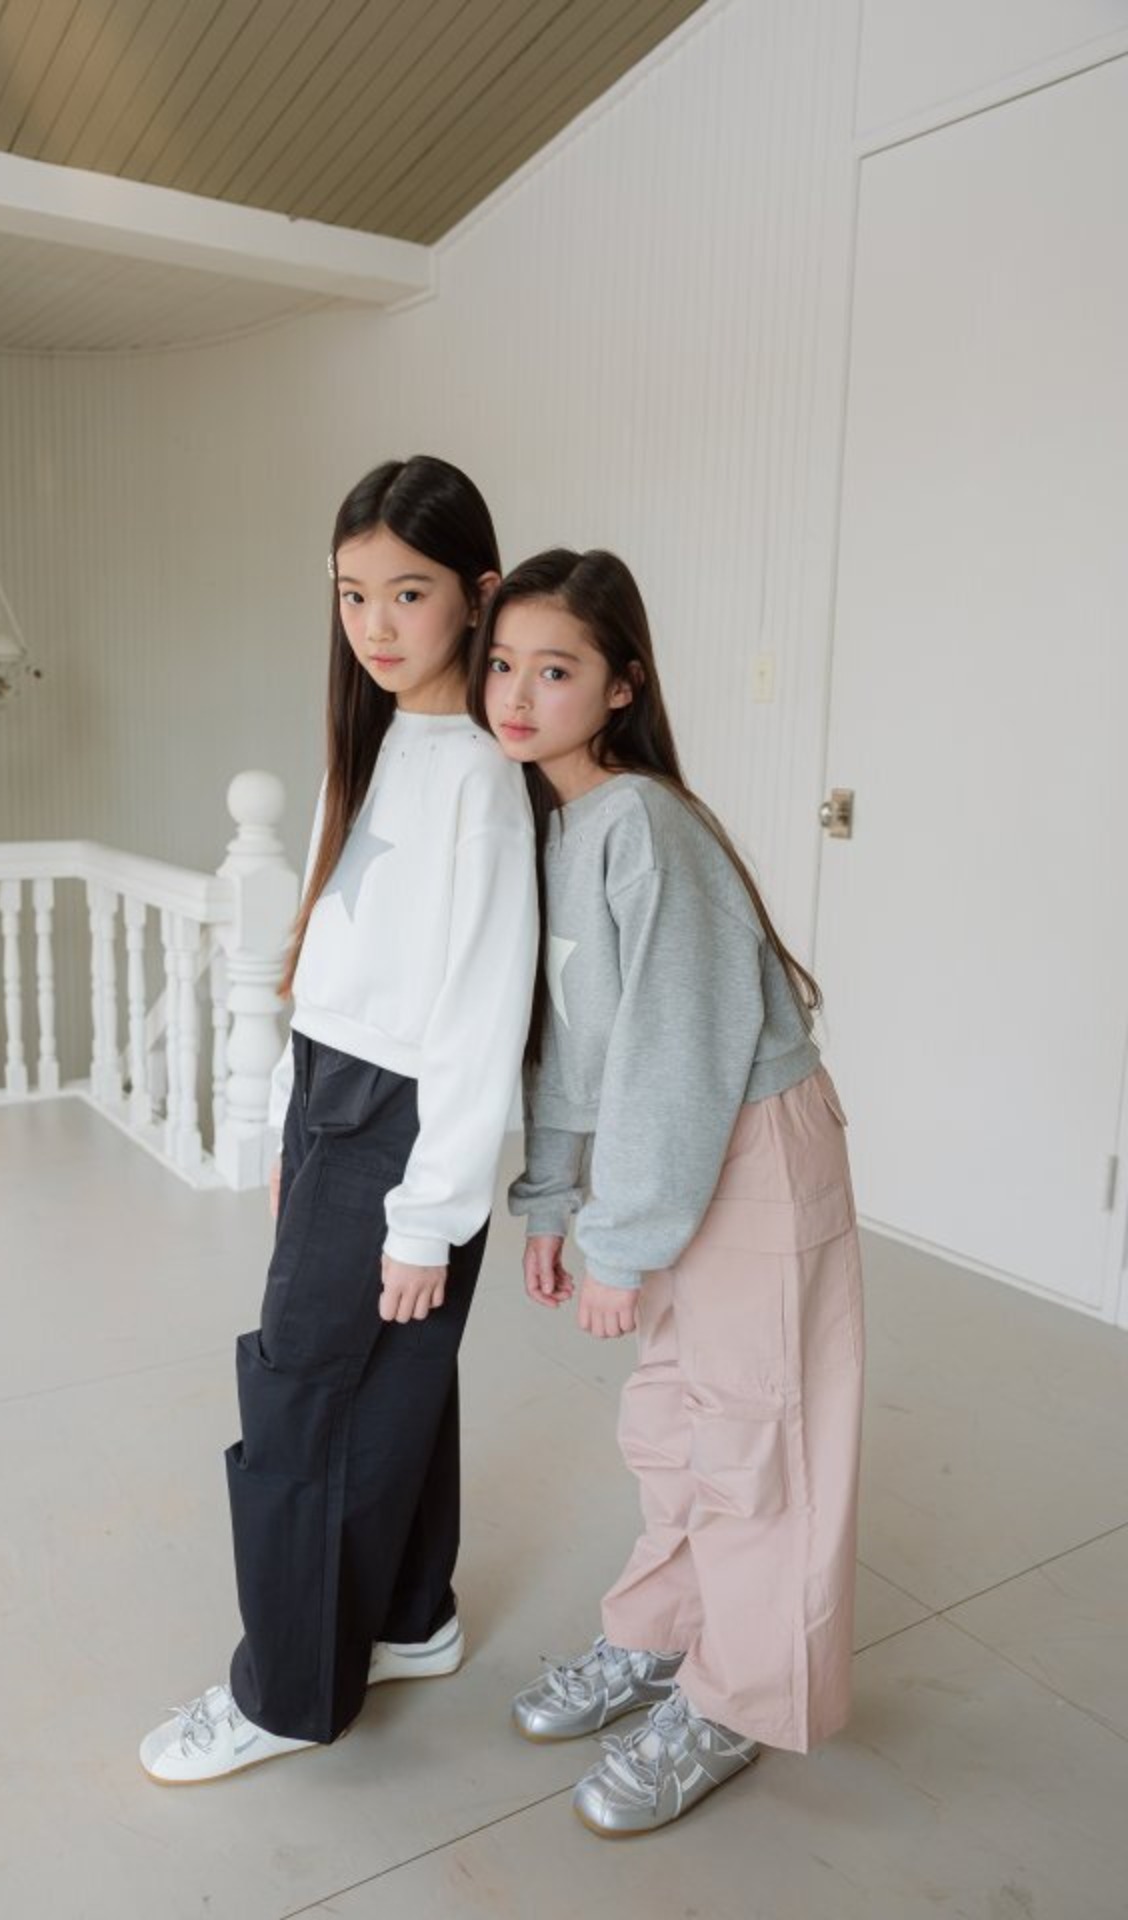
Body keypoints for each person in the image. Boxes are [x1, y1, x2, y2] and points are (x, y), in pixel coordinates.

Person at [141, 456, 538, 1783]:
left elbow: (482, 1011)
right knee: (394, 1379)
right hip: (334, 1095)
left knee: (303, 1391)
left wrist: (430, 1215)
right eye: (352, 593)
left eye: (408, 593)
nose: (375, 624)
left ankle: (287, 1694)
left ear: (477, 593)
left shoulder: (479, 778)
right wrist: (286, 1122)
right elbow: (326, 957)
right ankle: (412, 1617)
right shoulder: (371, 745)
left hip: (402, 1118)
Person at [470, 548, 864, 1837]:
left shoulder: (643, 821)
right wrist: (550, 1199)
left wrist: (621, 1241)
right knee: (672, 1421)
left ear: (622, 686)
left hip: (744, 1142)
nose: (517, 694)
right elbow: (574, 1043)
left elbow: (672, 1054)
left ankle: (739, 1699)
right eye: (503, 665)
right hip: (672, 1148)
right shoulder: (556, 825)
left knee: (755, 1434)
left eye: (556, 670)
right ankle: (659, 1636)